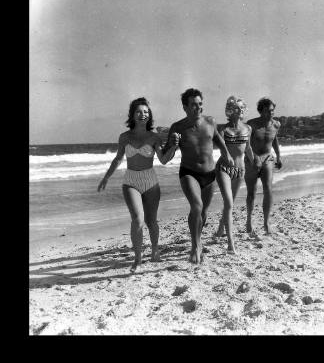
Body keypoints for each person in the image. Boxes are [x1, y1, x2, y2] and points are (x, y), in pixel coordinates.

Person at [98, 97, 177, 273]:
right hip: (131, 181)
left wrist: (174, 147)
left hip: (150, 181)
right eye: (139, 112)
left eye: (146, 112)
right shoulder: (125, 137)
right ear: (132, 115)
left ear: (150, 116)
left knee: (151, 221)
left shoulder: (154, 137)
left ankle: (155, 251)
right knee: (137, 219)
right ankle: (138, 259)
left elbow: (164, 160)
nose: (143, 115)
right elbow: (118, 159)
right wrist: (106, 177)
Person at [161, 88, 234, 264]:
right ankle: (195, 246)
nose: (198, 108)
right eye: (193, 105)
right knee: (197, 206)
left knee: (204, 211)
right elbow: (165, 157)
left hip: (210, 173)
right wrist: (172, 144)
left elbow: (217, 139)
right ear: (185, 107)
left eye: (200, 104)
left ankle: (198, 240)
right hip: (189, 173)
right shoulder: (177, 127)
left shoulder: (210, 122)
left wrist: (227, 154)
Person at [213, 96, 255, 254]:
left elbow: (248, 148)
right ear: (229, 110)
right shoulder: (223, 130)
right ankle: (230, 244)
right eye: (235, 108)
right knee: (229, 204)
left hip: (240, 170)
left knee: (228, 205)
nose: (239, 110)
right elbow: (223, 151)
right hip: (224, 169)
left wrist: (255, 163)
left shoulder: (248, 129)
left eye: (241, 107)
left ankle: (220, 229)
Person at [245, 97, 283, 239]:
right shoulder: (251, 125)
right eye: (267, 111)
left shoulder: (276, 124)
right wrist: (254, 158)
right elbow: (246, 145)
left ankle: (266, 223)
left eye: (272, 111)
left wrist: (278, 156)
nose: (270, 113)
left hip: (268, 158)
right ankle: (249, 220)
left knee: (268, 189)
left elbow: (274, 140)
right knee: (251, 193)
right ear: (261, 111)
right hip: (252, 159)